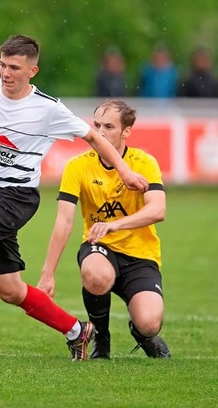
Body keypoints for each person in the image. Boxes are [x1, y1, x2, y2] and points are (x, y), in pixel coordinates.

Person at [0, 35, 149, 361]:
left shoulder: (48, 108)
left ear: (32, 70)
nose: (6, 73)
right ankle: (77, 331)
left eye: (15, 67)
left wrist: (125, 172)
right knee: (10, 291)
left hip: (17, 196)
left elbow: (94, 138)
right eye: (3, 65)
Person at [38, 99, 171, 359]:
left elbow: (158, 211)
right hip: (99, 249)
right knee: (95, 273)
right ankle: (101, 336)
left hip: (140, 254)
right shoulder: (78, 165)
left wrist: (114, 225)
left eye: (108, 126)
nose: (99, 132)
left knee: (150, 323)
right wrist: (47, 273)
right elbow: (64, 221)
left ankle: (141, 333)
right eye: (96, 124)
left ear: (126, 132)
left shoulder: (143, 162)